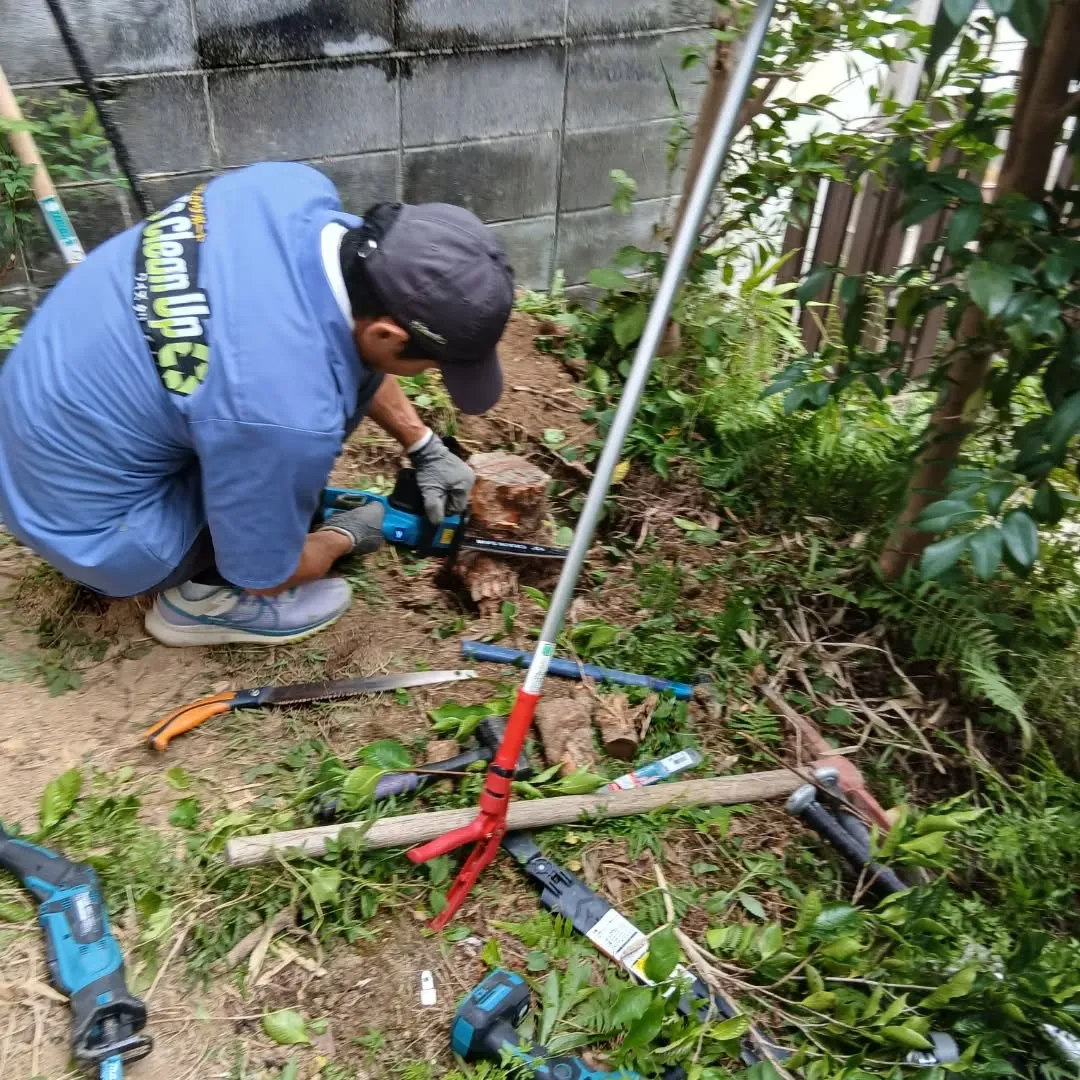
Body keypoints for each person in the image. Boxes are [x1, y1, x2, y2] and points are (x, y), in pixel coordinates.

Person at [0, 162, 514, 646]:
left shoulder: (283, 189)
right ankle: (203, 602)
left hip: (30, 427)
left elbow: (345, 340)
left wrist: (422, 444)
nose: (435, 376)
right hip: (85, 526)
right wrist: (345, 536)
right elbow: (270, 571)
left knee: (265, 448)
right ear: (387, 333)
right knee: (269, 531)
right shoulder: (284, 415)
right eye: (432, 366)